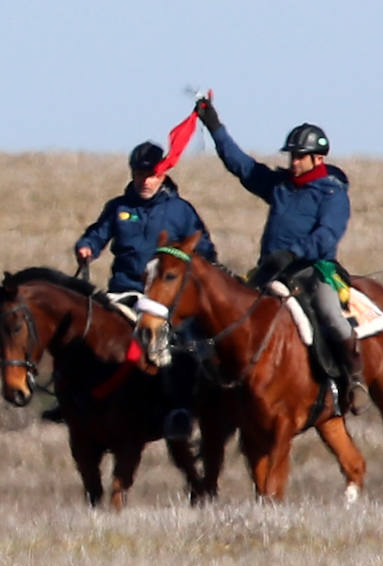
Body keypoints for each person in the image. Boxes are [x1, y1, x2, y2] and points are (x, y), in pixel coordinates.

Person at [194, 97, 368, 412]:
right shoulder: (280, 186)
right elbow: (241, 165)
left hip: (312, 272)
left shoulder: (332, 194)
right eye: (291, 156)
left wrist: (292, 253)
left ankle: (353, 379)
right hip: (271, 272)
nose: (293, 162)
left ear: (318, 158)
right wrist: (214, 125)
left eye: (299, 156)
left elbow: (326, 236)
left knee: (331, 316)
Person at [70, 141, 218, 439]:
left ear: (162, 173)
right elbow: (97, 234)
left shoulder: (180, 210)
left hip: (163, 300)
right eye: (139, 174)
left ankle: (179, 410)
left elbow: (204, 250)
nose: (144, 180)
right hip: (122, 292)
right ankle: (74, 402)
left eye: (150, 174)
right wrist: (86, 246)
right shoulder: (118, 207)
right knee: (84, 336)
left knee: (176, 348)